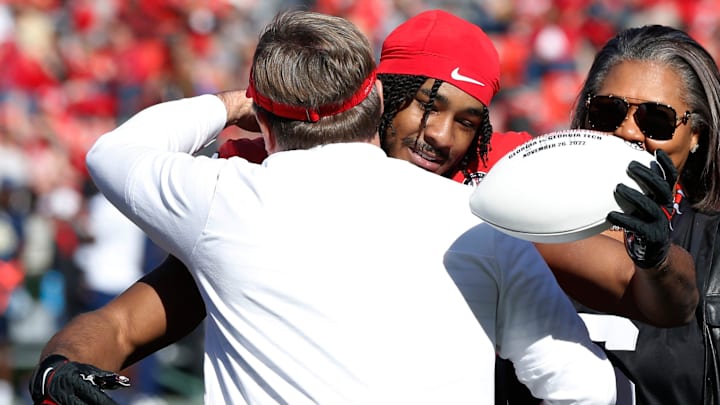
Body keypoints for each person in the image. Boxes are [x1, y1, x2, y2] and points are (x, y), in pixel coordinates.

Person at [29, 10, 694, 404]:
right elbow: (118, 327)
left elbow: (650, 295)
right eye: (426, 103)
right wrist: (60, 365)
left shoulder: (490, 204)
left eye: (467, 119)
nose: (440, 135)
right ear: (376, 97)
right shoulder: (265, 195)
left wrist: (656, 258)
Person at [507, 24, 720, 405]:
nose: (627, 132)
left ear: (697, 134)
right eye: (608, 112)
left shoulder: (713, 243)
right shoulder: (523, 224)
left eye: (656, 119)